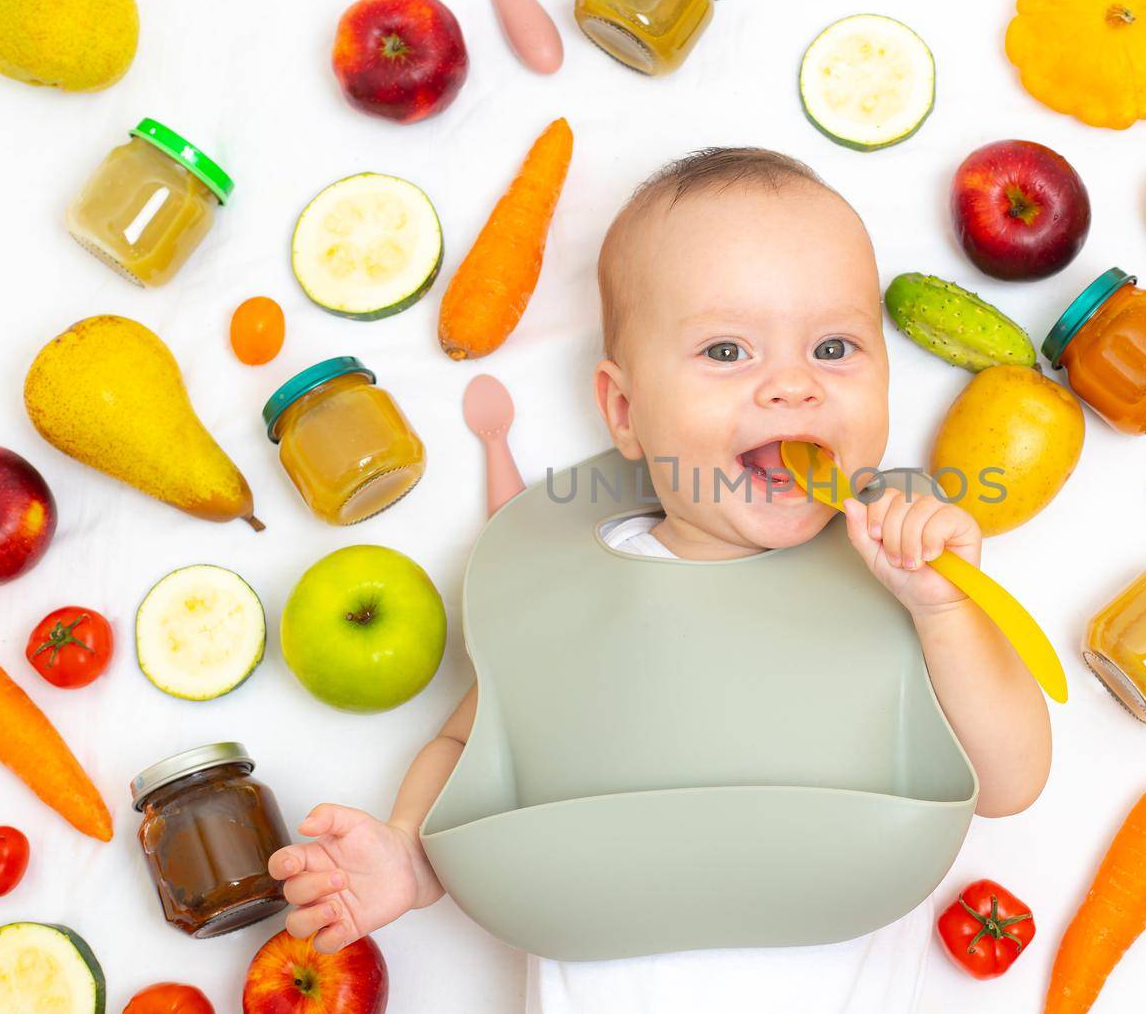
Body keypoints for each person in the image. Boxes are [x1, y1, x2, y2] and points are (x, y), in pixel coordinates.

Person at [268, 147, 1053, 1013]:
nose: (791, 385)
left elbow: (1009, 782)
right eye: (726, 349)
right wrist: (413, 856)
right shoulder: (564, 582)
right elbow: (470, 747)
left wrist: (944, 611)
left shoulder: (904, 572)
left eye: (834, 347)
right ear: (625, 411)